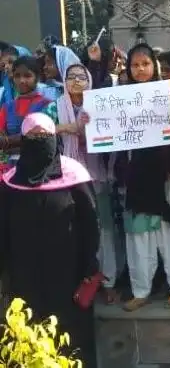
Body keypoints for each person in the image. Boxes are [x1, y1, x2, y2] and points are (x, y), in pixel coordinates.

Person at [0, 112, 99, 366]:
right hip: (24, 274)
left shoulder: (75, 175)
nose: (39, 140)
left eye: (44, 136)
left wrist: (90, 264)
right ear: (23, 140)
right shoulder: (10, 182)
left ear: (54, 138)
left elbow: (90, 223)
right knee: (29, 327)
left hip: (69, 273)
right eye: (32, 137)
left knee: (70, 334)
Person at [116, 44, 170, 312]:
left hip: (164, 172)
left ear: (154, 66)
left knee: (169, 231)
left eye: (145, 64)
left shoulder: (167, 92)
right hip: (135, 174)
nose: (140, 69)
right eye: (135, 65)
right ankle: (140, 290)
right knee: (138, 235)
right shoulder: (120, 97)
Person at [55, 63, 120, 303]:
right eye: (70, 77)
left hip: (96, 175)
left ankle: (109, 281)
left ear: (90, 80)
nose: (76, 81)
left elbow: (115, 127)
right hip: (67, 178)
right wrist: (67, 127)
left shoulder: (99, 103)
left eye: (81, 76)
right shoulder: (56, 106)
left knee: (104, 230)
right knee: (78, 231)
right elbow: (41, 127)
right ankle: (84, 281)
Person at [0, 57, 56, 169]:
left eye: (27, 76)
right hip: (10, 168)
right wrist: (27, 139)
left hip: (40, 167)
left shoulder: (48, 105)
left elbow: (44, 140)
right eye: (17, 76)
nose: (22, 80)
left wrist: (8, 142)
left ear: (37, 78)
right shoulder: (7, 107)